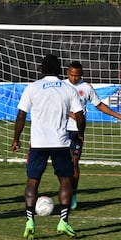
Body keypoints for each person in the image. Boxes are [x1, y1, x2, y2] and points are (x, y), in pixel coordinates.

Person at [11, 54, 85, 239]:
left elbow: (21, 116)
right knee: (66, 181)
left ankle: (29, 221)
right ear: (60, 70)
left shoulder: (33, 88)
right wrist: (80, 133)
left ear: (41, 69)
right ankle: (63, 221)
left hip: (37, 144)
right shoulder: (68, 89)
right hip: (60, 143)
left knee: (32, 182)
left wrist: (16, 139)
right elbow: (80, 116)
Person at [64, 61, 121, 210]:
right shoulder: (61, 86)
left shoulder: (86, 88)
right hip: (60, 130)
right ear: (67, 73)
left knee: (74, 162)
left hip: (77, 131)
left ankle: (73, 194)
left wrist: (118, 115)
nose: (73, 78)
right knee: (63, 165)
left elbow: (99, 105)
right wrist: (72, 114)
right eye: (71, 75)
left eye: (76, 76)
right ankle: (65, 191)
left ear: (81, 75)